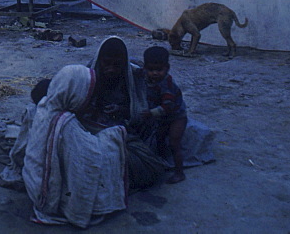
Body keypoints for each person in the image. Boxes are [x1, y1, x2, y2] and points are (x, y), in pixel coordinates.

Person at [22, 65, 128, 229]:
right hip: (48, 197)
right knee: (111, 145)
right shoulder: (66, 122)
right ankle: (78, 210)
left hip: (34, 181)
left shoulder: (46, 104)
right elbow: (89, 156)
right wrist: (113, 135)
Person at [82, 36, 166, 190]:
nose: (111, 69)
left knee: (145, 165)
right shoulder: (89, 74)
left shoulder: (135, 76)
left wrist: (121, 110)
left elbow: (140, 109)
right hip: (96, 126)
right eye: (107, 63)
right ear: (100, 60)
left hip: (126, 126)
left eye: (117, 65)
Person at [139, 45, 188, 184]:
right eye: (151, 70)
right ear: (145, 68)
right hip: (162, 117)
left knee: (174, 142)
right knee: (159, 139)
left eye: (159, 70)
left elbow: (168, 106)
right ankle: (161, 163)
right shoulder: (147, 77)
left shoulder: (166, 84)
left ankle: (179, 172)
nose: (155, 73)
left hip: (176, 116)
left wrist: (150, 113)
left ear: (167, 68)